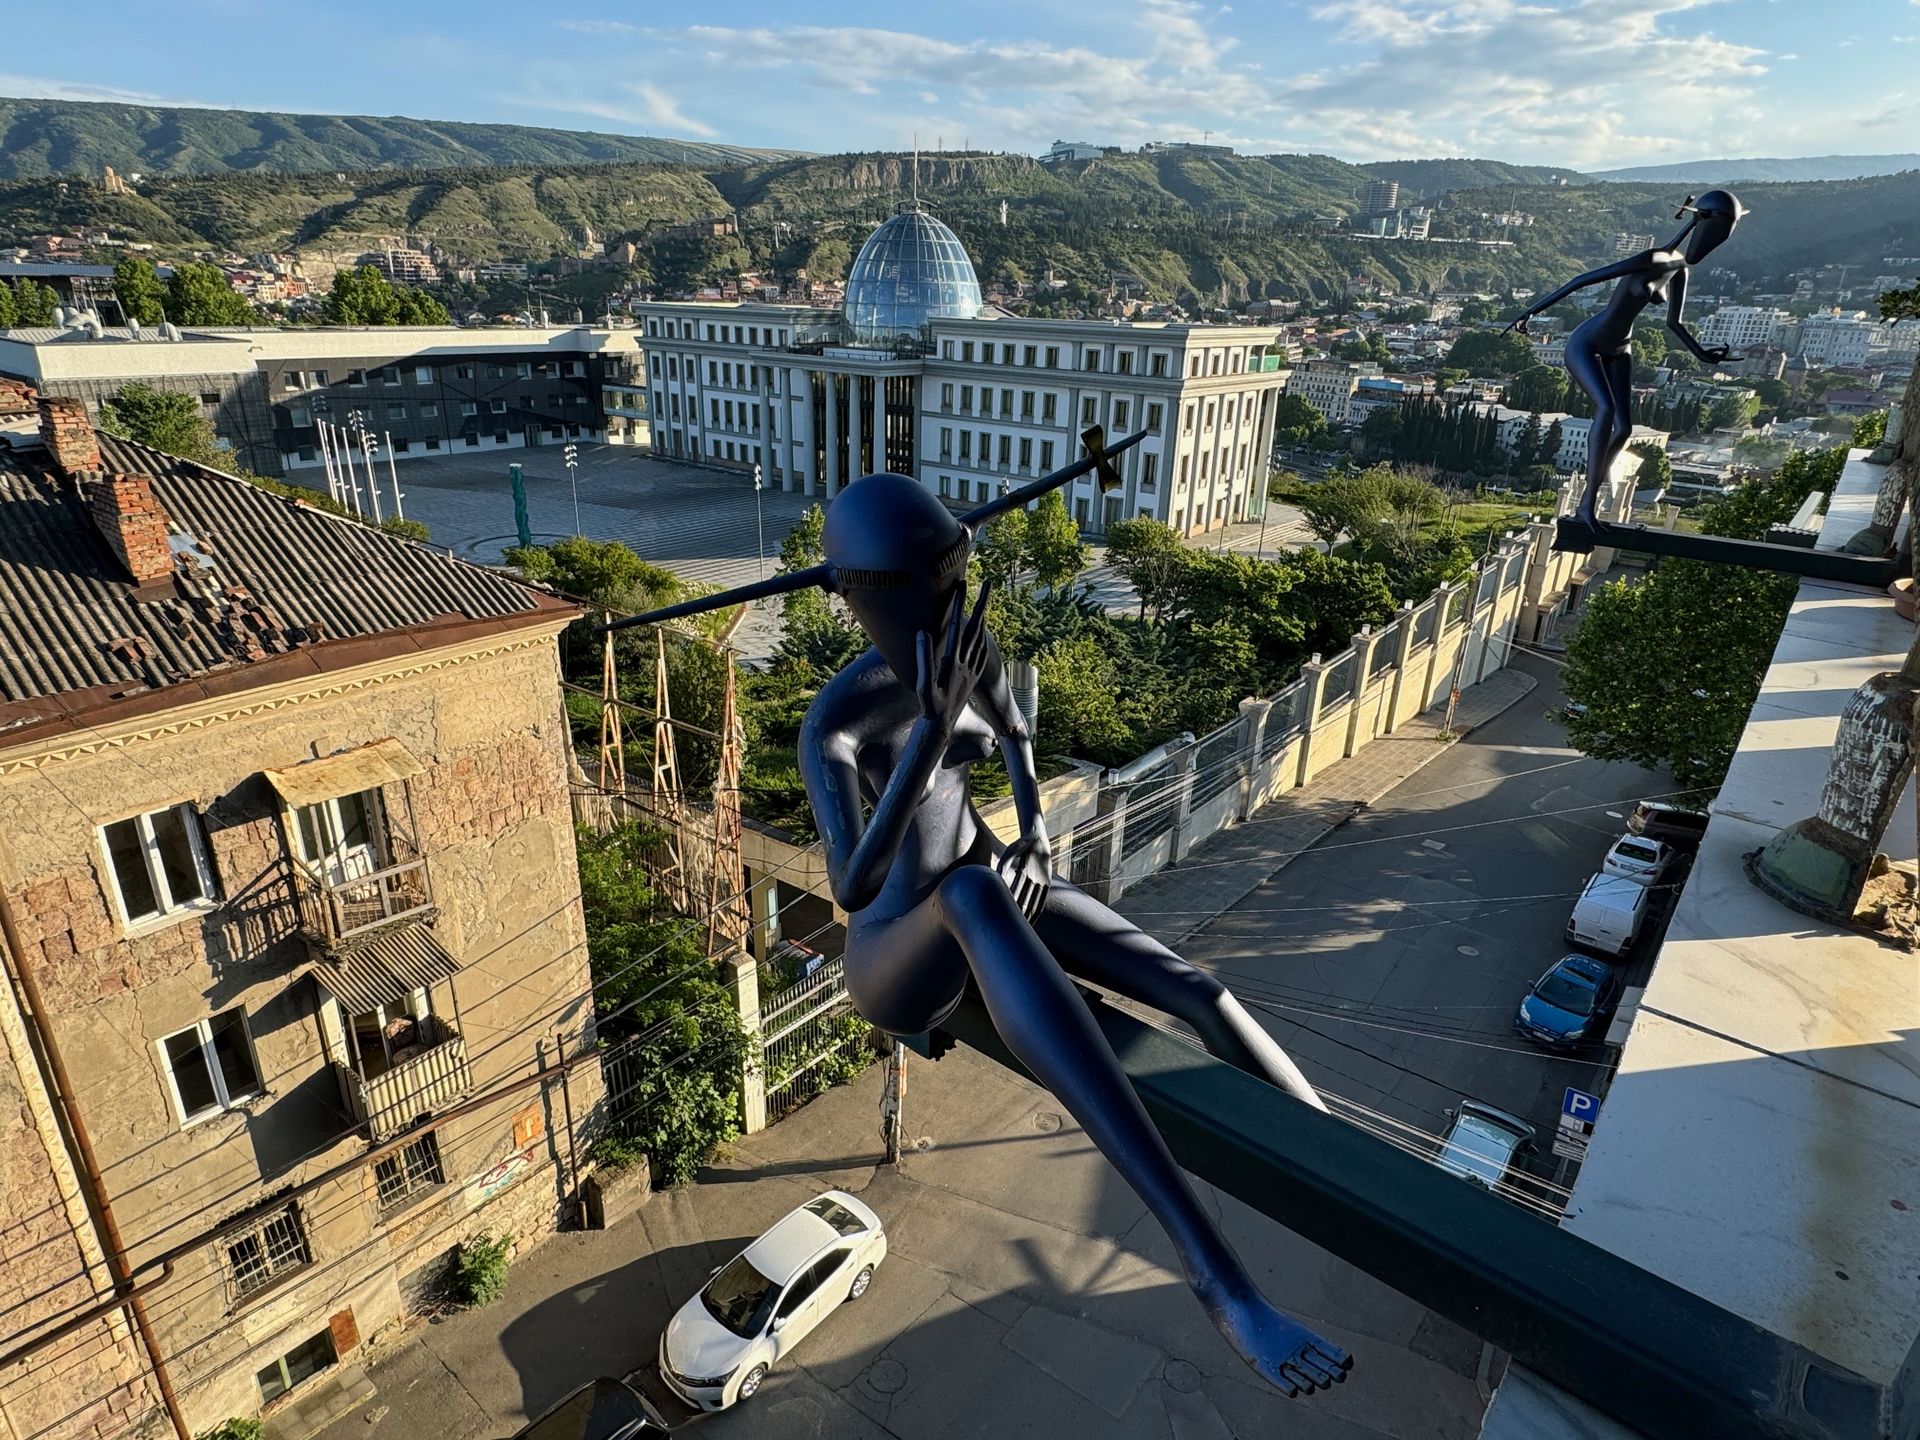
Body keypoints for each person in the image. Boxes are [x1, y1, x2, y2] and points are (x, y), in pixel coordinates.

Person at [605, 437, 1350, 1399]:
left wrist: (1035, 834)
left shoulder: (966, 650)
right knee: (969, 893)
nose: (947, 620)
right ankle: (1217, 1276)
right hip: (896, 953)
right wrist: (925, 735)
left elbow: (1017, 736)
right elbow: (853, 886)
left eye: (954, 590)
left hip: (990, 884)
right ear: (863, 601)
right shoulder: (836, 723)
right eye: (927, 599)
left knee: (1198, 993)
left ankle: (1338, 1157)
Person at [1507, 190, 1744, 535]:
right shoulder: (1652, 258)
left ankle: (1590, 500)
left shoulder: (1679, 270)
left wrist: (1703, 354)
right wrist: (1528, 313)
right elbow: (1581, 280)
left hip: (1621, 346)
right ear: (1701, 221)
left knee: (1624, 429)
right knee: (1605, 410)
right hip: (1587, 342)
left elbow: (1674, 324)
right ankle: (1586, 506)